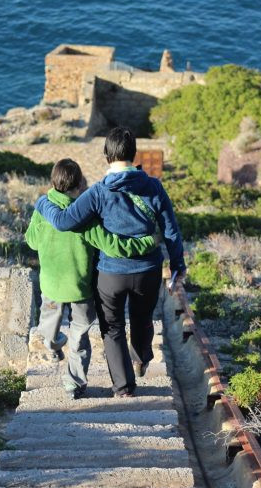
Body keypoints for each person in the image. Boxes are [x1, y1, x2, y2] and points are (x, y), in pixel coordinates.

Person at [35, 128, 186, 398]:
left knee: (112, 329)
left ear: (106, 155)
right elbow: (171, 231)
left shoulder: (97, 193)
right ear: (133, 153)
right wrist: (177, 266)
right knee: (142, 319)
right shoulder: (153, 186)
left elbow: (63, 221)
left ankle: (123, 387)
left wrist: (42, 202)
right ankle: (140, 359)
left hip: (111, 274)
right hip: (148, 270)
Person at [25, 158, 160, 399]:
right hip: (81, 289)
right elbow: (112, 246)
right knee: (79, 336)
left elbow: (32, 241)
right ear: (78, 187)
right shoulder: (85, 216)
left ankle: (53, 344)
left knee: (48, 328)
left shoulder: (43, 209)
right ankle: (73, 383)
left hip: (51, 287)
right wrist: (149, 241)